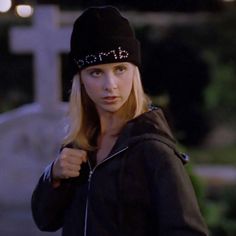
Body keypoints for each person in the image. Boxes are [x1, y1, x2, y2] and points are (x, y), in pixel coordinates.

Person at [31, 6, 209, 236]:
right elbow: (45, 221)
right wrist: (53, 175)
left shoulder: (153, 151)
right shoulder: (79, 145)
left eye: (120, 69)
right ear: (81, 79)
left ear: (134, 73)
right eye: (96, 72)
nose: (110, 85)